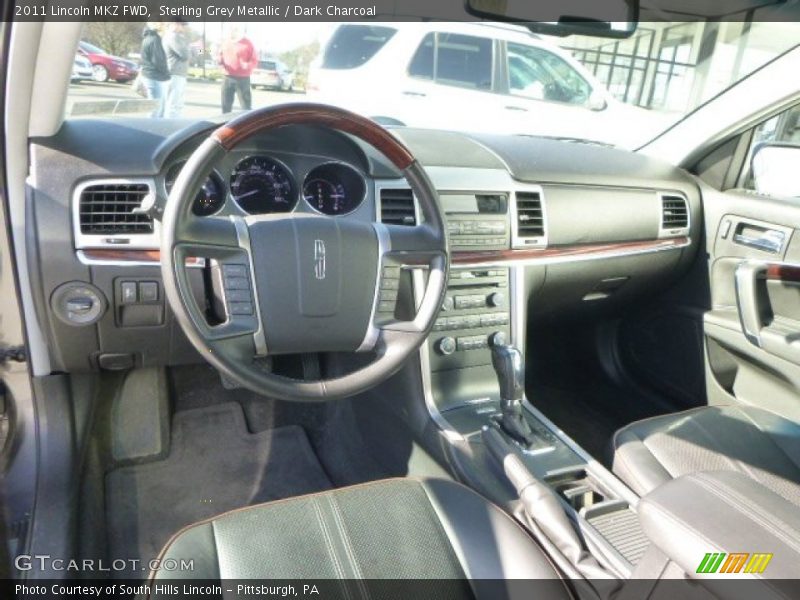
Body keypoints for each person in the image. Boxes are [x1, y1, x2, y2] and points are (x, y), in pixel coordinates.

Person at [218, 25, 256, 113]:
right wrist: (219, 60)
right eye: (230, 29)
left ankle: (247, 125)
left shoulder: (248, 44)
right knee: (225, 107)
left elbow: (254, 60)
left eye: (235, 30)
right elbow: (213, 53)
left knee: (246, 107)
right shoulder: (224, 42)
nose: (232, 32)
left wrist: (247, 65)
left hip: (243, 79)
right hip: (227, 77)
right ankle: (225, 125)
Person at [139, 23, 170, 118]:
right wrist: (167, 74)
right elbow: (159, 61)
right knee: (156, 108)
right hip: (155, 77)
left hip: (151, 76)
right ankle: (151, 129)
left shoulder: (148, 37)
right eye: (165, 25)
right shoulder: (155, 40)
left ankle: (156, 127)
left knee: (157, 107)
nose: (166, 27)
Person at [163, 20, 190, 118]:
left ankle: (172, 123)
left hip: (179, 74)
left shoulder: (178, 38)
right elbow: (185, 55)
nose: (183, 27)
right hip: (175, 73)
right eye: (182, 25)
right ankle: (171, 126)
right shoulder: (173, 37)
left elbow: (194, 53)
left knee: (177, 104)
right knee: (173, 105)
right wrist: (193, 48)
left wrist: (200, 49)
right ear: (174, 24)